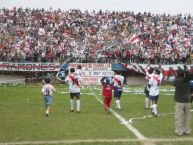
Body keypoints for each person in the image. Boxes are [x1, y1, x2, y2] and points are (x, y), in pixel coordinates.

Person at [173, 69, 192, 135]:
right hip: (187, 100)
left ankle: (179, 131)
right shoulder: (188, 80)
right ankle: (187, 130)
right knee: (187, 115)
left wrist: (177, 76)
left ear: (178, 74)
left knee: (178, 116)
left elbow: (174, 82)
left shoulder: (178, 81)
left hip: (180, 100)